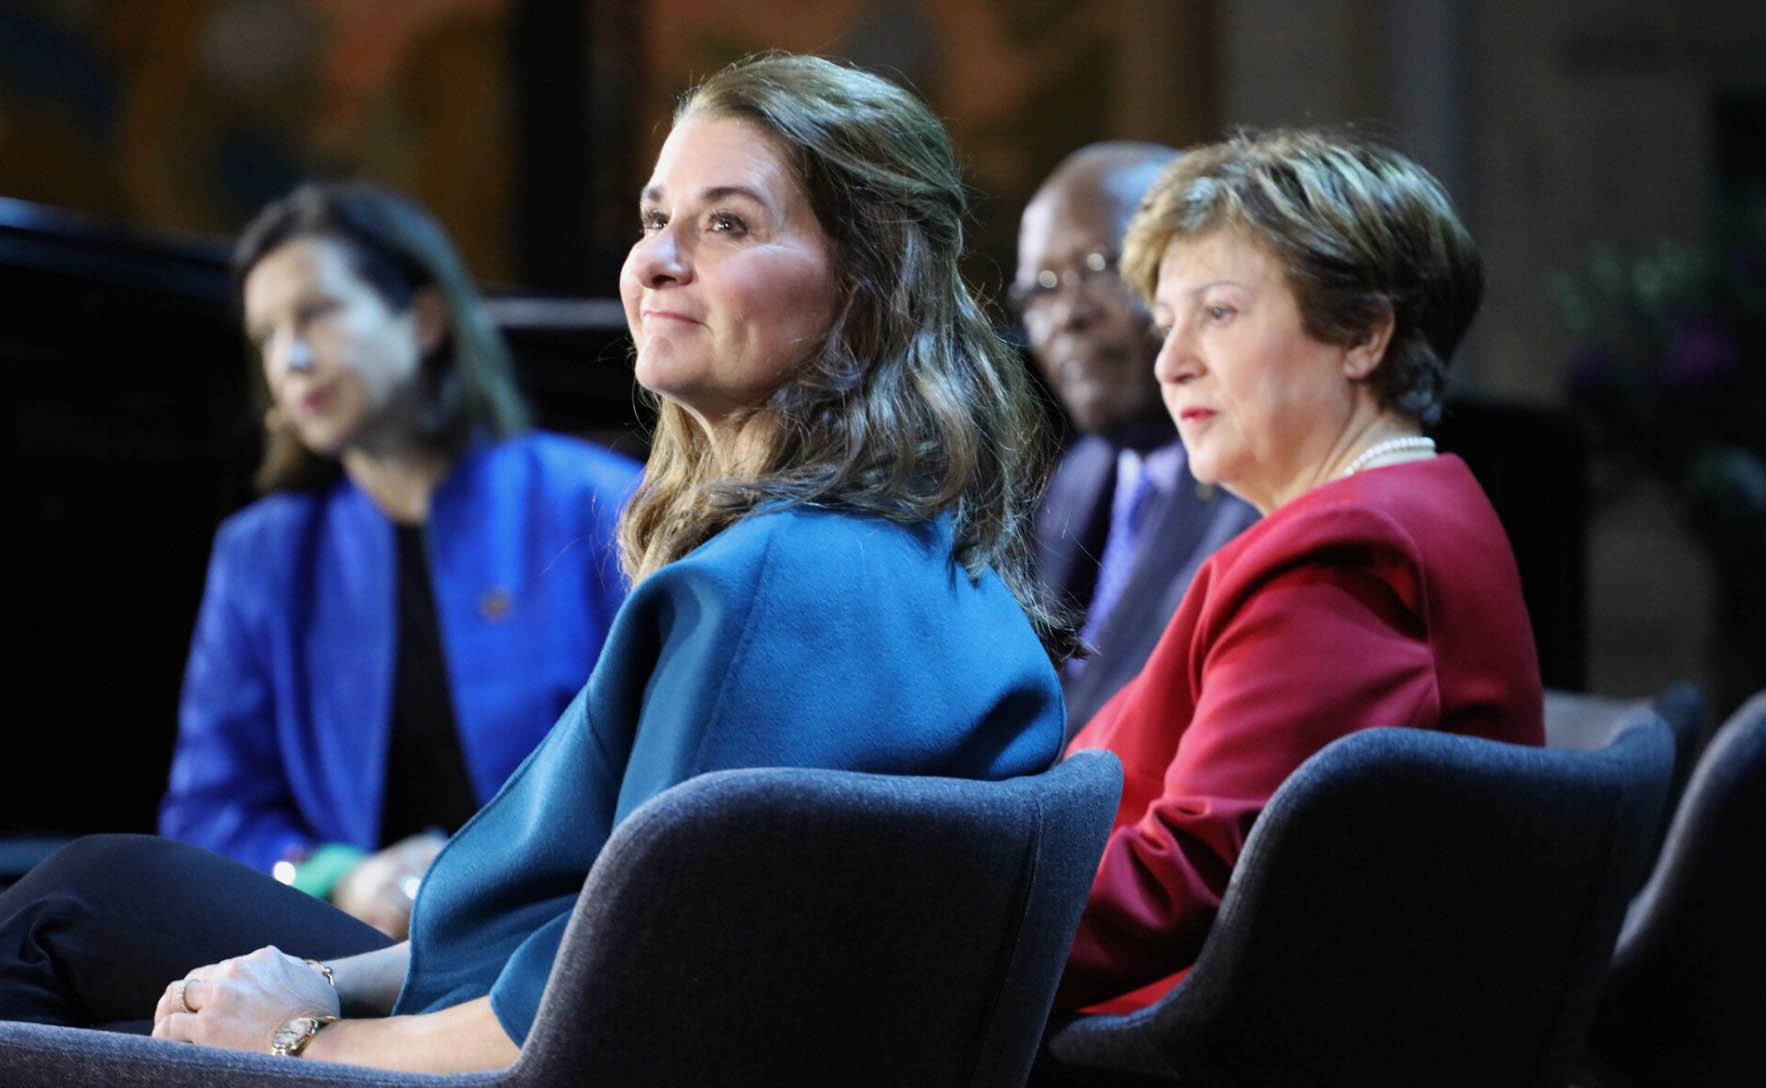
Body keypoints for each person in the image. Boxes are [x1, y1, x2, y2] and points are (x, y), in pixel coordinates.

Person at [0, 54, 1070, 1071]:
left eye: (727, 224)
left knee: (78, 900)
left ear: (867, 279)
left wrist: (298, 1041)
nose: (654, 258)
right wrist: (316, 973)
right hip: (467, 970)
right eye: (655, 219)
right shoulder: (927, 553)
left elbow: (592, 1014)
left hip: (487, 1048)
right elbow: (564, 920)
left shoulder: (768, 584)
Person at [1053, 128, 1545, 1014]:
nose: (1171, 363)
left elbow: (1189, 884)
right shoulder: (1410, 510)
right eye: (1167, 324)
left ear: (1361, 333)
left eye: (1220, 313)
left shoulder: (1349, 554)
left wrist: (937, 929)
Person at [156, 182, 641, 940]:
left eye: (317, 313)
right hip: (349, 944)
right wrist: (339, 876)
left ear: (422, 320)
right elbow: (207, 813)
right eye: (268, 335)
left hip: (570, 939)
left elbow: (667, 776)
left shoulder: (601, 503)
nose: (293, 358)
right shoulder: (263, 553)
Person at [1015, 143, 1257, 729]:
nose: (1067, 314)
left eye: (1097, 267)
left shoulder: (1260, 479)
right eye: (1041, 288)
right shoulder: (1081, 473)